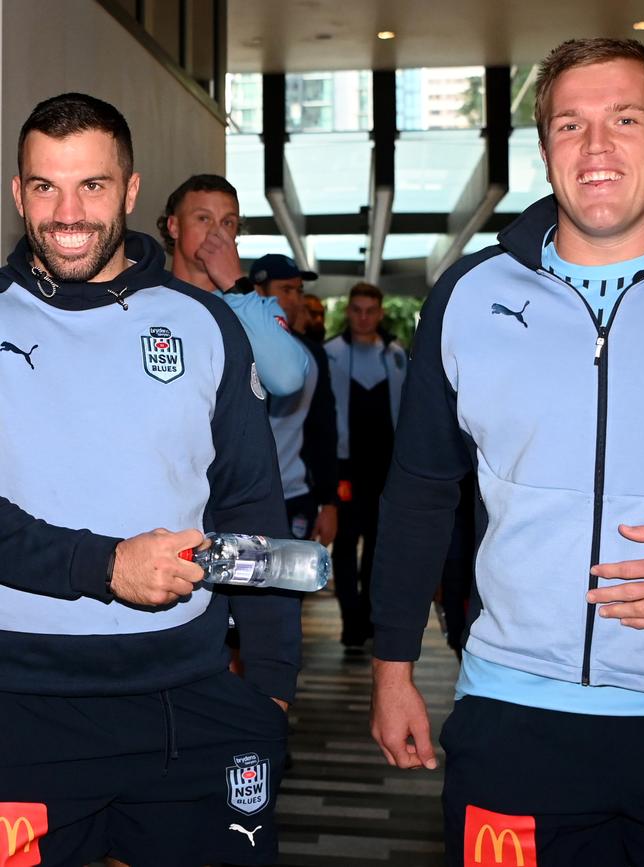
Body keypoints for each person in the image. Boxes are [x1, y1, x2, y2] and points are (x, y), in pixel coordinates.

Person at [0, 92, 300, 867]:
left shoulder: (205, 324)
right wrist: (106, 565)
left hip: (189, 696)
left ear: (130, 192)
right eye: (45, 186)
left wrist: (270, 685)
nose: (68, 211)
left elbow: (250, 505)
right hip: (22, 703)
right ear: (18, 191)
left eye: (91, 185)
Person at [370, 37, 644, 867]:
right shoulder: (473, 292)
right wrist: (392, 670)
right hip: (512, 710)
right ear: (545, 150)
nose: (596, 147)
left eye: (625, 119)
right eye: (572, 124)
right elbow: (421, 491)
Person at [158, 174, 308, 396]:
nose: (216, 232)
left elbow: (287, 378)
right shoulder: (144, 297)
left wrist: (235, 286)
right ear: (174, 226)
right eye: (203, 218)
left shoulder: (258, 308)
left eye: (227, 222)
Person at [325, 283, 407, 647]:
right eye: (356, 309)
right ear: (348, 312)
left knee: (377, 543)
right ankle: (350, 620)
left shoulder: (396, 356)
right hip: (345, 465)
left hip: (385, 466)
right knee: (345, 542)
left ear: (380, 312)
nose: (362, 317)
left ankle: (369, 615)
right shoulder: (330, 354)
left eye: (369, 310)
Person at [251, 254, 338, 547]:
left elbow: (322, 430)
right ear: (258, 291)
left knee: (290, 590)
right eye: (285, 290)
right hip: (243, 497)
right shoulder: (234, 344)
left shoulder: (312, 355)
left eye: (298, 291)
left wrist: (329, 502)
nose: (294, 300)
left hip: (295, 494)